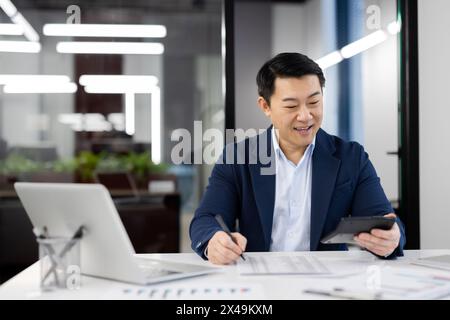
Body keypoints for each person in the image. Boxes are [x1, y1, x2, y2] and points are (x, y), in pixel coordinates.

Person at [189, 52, 405, 265]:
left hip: (328, 282)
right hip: (258, 280)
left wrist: (392, 238)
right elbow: (205, 220)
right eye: (291, 106)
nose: (305, 116)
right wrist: (214, 241)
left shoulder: (351, 158)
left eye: (314, 102)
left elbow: (385, 221)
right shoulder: (238, 158)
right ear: (266, 106)